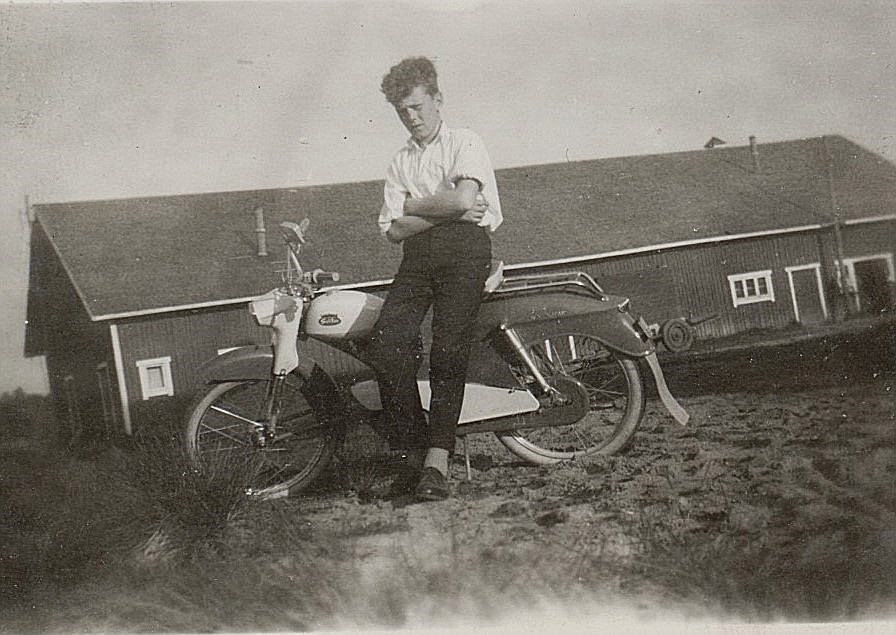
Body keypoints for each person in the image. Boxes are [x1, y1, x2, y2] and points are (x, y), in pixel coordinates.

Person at [367, 56, 502, 501]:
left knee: (447, 350)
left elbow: (467, 199)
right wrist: (443, 209)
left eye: (418, 107)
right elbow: (393, 230)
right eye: (402, 111)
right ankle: (412, 451)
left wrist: (412, 206)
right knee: (386, 345)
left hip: (466, 250)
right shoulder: (399, 160)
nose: (411, 117)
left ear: (438, 100)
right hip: (418, 258)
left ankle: (437, 462)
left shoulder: (465, 141)